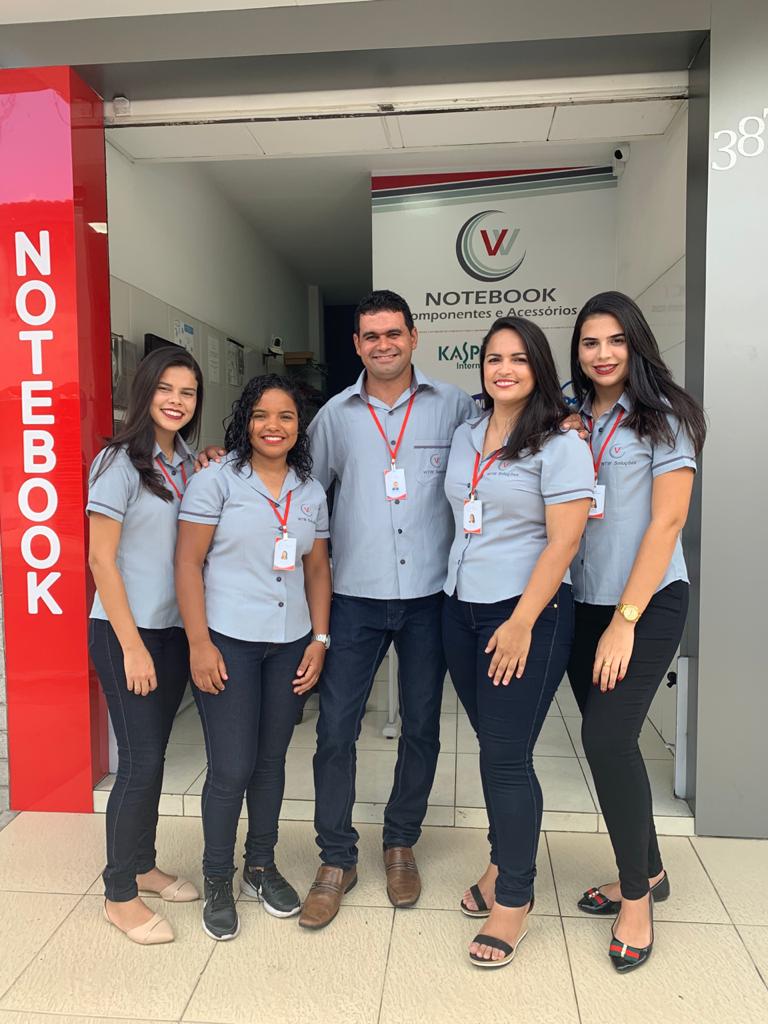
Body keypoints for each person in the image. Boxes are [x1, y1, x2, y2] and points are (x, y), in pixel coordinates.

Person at [299, 289, 478, 928]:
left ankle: (401, 842)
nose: (383, 344)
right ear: (357, 344)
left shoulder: (456, 407)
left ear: (413, 336)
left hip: (431, 597)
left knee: (423, 726)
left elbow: (509, 440)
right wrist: (225, 460)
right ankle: (336, 857)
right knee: (335, 730)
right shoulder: (334, 418)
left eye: (393, 333)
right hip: (355, 597)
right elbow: (297, 486)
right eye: (371, 335)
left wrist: (565, 422)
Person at [442, 316, 594, 968]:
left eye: (518, 358)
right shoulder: (467, 433)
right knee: (495, 747)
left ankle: (515, 897)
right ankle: (502, 861)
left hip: (525, 613)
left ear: (539, 367)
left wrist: (522, 621)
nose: (504, 369)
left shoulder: (561, 442)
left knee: (506, 757)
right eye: (493, 358)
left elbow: (566, 540)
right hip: (461, 607)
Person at [566, 291, 706, 972]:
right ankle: (649, 868)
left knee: (606, 738)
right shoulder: (569, 417)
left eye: (615, 340)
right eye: (590, 342)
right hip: (582, 602)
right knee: (607, 745)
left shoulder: (664, 418)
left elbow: (668, 521)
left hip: (645, 605)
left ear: (637, 344)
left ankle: (635, 899)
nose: (603, 354)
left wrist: (625, 622)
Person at [175, 374, 332, 941]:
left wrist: (319, 640)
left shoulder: (310, 490)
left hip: (289, 642)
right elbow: (188, 563)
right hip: (228, 642)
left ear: (299, 426)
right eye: (261, 415)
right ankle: (218, 876)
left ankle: (260, 866)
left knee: (271, 762)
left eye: (286, 416)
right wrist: (198, 643)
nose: (273, 426)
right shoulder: (216, 480)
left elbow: (317, 568)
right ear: (245, 421)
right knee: (231, 767)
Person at [87, 346, 203, 946]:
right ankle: (118, 893)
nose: (176, 401)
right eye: (166, 389)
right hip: (125, 632)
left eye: (188, 392)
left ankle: (143, 865)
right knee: (139, 760)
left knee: (153, 756)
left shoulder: (186, 463)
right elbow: (100, 560)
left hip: (173, 631)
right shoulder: (118, 462)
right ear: (144, 391)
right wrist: (132, 647)